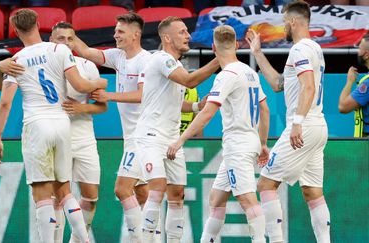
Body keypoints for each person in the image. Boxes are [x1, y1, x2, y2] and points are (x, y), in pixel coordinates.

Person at [0, 9, 106, 243]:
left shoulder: (16, 61)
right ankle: (84, 239)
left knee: (42, 194)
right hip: (62, 123)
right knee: (64, 191)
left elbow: (4, 101)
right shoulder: (59, 49)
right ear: (39, 24)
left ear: (14, 30)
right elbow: (81, 86)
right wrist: (100, 81)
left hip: (37, 125)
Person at [167, 25, 269, 243]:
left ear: (213, 47)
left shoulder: (226, 76)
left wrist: (181, 140)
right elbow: (265, 109)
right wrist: (262, 143)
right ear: (237, 45)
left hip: (237, 146)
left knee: (248, 200)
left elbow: (206, 114)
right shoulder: (249, 72)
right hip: (248, 141)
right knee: (216, 199)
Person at [246, 1, 331, 242]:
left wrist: (297, 122)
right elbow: (278, 84)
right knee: (312, 192)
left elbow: (309, 87)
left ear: (293, 21)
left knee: (264, 185)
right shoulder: (313, 48)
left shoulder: (300, 49)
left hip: (304, 126)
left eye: (284, 21)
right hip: (317, 126)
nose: (283, 26)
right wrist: (258, 54)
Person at [134, 16, 219, 243]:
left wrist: (195, 106)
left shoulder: (175, 64)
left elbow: (170, 101)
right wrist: (220, 58)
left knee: (177, 194)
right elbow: (189, 81)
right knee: (158, 187)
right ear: (167, 38)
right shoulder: (162, 58)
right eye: (182, 32)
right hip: (150, 136)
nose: (188, 36)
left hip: (171, 138)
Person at [72, 13, 155, 242]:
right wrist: (72, 38)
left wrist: (108, 95)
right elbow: (88, 52)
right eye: (116, 30)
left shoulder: (145, 60)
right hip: (132, 136)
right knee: (142, 193)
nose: (115, 35)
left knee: (121, 189)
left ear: (135, 35)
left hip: (143, 136)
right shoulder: (118, 56)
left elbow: (141, 95)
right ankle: (152, 238)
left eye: (120, 31)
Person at [50, 21, 107, 242]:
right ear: (51, 41)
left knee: (91, 197)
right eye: (60, 38)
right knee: (58, 197)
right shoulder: (45, 65)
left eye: (70, 39)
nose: (66, 43)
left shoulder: (87, 65)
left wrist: (81, 107)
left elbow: (103, 106)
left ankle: (76, 239)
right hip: (57, 137)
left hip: (84, 137)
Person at [338, 33, 369, 137]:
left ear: (366, 54)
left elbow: (343, 106)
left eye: (359, 49)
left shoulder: (367, 84)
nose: (357, 52)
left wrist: (350, 81)